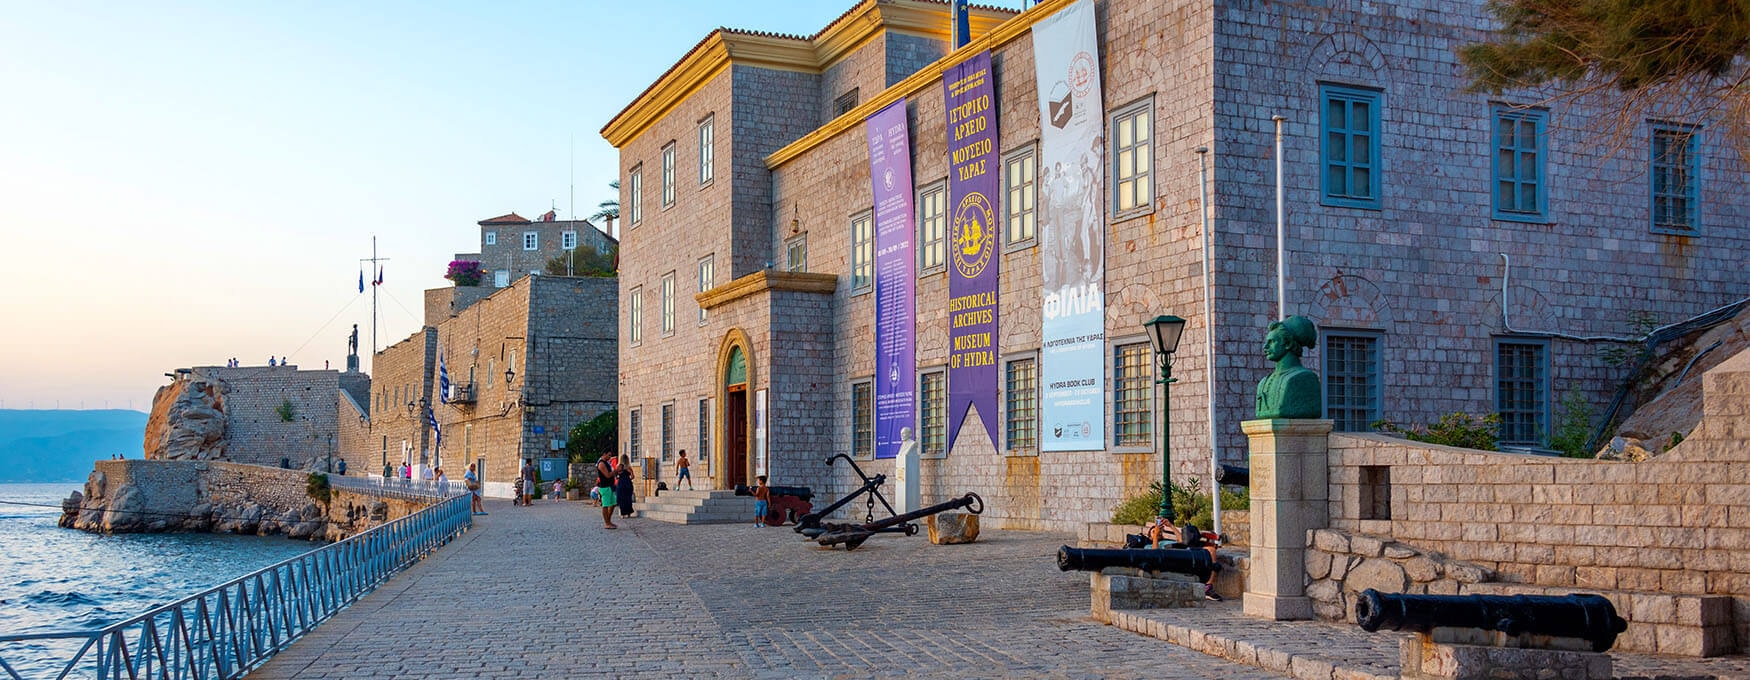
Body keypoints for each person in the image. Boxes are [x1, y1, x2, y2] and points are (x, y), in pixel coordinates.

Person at [1254, 315, 1322, 419]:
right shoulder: (1263, 382)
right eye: (1266, 342)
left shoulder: (1304, 378)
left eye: (1272, 342)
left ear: (1288, 343)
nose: (1265, 347)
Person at [1146, 518, 1223, 601]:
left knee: (1211, 550)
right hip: (1174, 561)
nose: (1158, 532)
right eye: (1153, 532)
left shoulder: (1166, 541)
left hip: (1186, 553)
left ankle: (1208, 587)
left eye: (1159, 531)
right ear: (1150, 537)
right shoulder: (1148, 546)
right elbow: (1154, 554)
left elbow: (1183, 541)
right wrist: (1155, 537)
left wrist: (1171, 526)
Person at [595, 455, 618, 529]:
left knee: (613, 504)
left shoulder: (606, 462)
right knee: (605, 505)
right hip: (605, 487)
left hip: (610, 486)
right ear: (604, 454)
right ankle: (607, 523)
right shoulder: (601, 464)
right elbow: (607, 475)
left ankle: (608, 521)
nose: (609, 457)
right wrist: (615, 471)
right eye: (608, 455)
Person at [615, 454, 635, 518]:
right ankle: (629, 513)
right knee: (628, 499)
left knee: (622, 499)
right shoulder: (629, 467)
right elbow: (632, 476)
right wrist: (628, 479)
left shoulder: (618, 467)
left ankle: (622, 514)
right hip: (628, 484)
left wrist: (619, 477)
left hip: (621, 484)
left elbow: (616, 476)